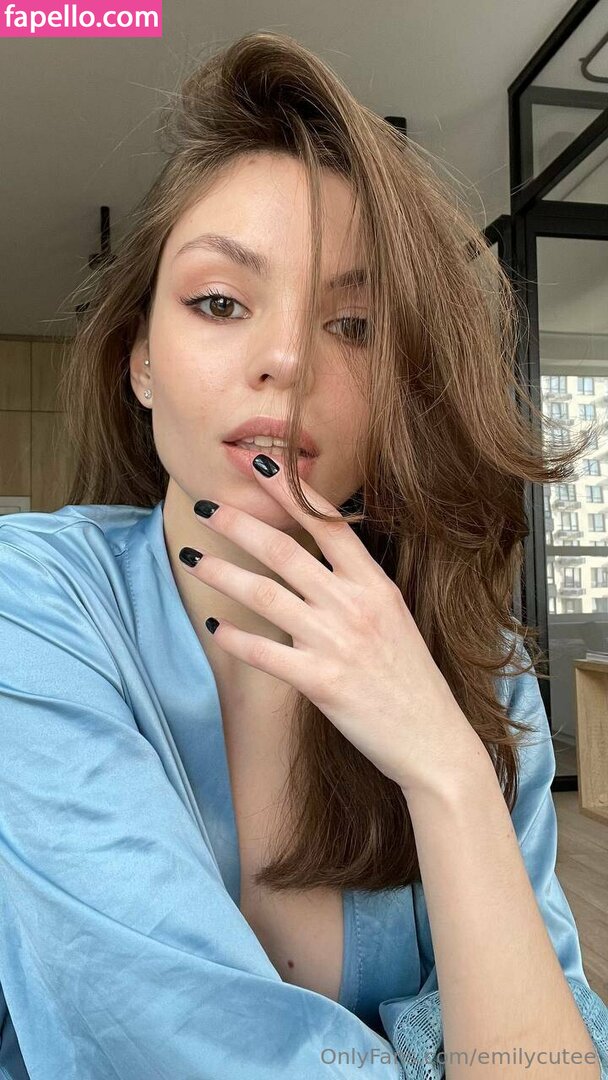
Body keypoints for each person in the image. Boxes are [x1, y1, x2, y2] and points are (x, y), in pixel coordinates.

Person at [0, 29, 607, 1080]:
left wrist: (448, 772)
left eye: (354, 326)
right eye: (219, 302)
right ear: (140, 361)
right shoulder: (31, 604)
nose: (285, 359)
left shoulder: (479, 665)